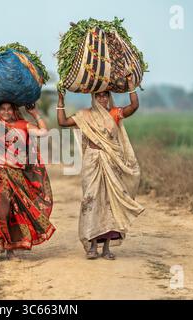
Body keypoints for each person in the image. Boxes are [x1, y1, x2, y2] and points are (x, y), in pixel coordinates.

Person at [57, 74, 145, 260]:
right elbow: (63, 122)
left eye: (105, 95)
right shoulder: (84, 115)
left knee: (109, 203)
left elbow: (134, 107)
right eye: (99, 96)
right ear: (93, 97)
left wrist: (131, 85)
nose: (103, 98)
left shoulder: (114, 114)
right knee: (91, 200)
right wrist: (61, 99)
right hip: (92, 162)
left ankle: (106, 248)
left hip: (111, 162)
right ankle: (91, 246)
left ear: (109, 97)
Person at [0, 102, 55, 259]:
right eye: (2, 109)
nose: (6, 112)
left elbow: (43, 132)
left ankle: (11, 247)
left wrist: (35, 114)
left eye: (9, 109)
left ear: (14, 110)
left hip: (17, 176)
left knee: (14, 211)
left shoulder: (23, 125)